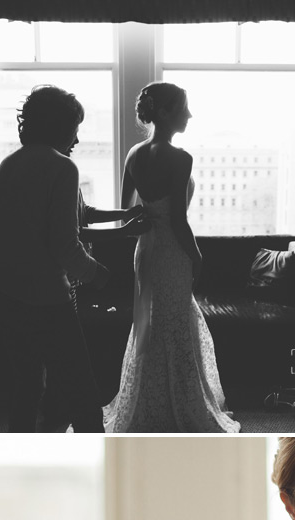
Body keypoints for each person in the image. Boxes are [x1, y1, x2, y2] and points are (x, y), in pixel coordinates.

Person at [0, 85, 146, 433]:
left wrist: (127, 217)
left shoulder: (10, 163)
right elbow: (65, 244)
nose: (78, 139)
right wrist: (101, 275)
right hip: (42, 296)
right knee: (81, 390)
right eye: (75, 128)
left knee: (26, 384)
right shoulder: (62, 168)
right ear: (59, 126)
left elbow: (81, 214)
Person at [103, 82, 240, 433]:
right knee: (175, 323)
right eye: (184, 108)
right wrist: (196, 257)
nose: (189, 115)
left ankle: (145, 402)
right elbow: (179, 221)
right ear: (164, 113)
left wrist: (147, 219)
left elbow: (126, 212)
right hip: (171, 252)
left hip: (145, 250)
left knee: (148, 325)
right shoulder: (180, 158)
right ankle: (179, 403)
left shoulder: (134, 154)